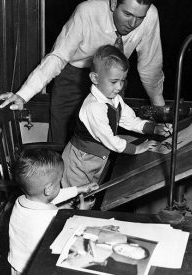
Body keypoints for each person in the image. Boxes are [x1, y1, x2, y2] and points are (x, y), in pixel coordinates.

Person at [0, 0, 166, 145]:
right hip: (73, 77)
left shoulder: (150, 15)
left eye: (139, 18)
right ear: (114, 4)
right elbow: (57, 57)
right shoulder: (86, 12)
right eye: (127, 14)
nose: (133, 24)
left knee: (107, 140)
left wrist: (160, 110)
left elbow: (150, 66)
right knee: (60, 140)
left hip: (111, 79)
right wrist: (23, 96)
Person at [61, 45, 172, 188]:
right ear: (95, 78)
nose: (119, 87)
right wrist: (137, 149)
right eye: (114, 82)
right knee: (76, 203)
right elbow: (110, 140)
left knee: (90, 197)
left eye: (122, 81)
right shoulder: (93, 107)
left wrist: (154, 128)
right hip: (79, 163)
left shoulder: (114, 99)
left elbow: (130, 121)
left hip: (98, 158)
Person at [8, 148, 99, 275]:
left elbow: (52, 196)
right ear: (49, 189)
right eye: (59, 181)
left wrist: (80, 189)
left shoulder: (21, 201)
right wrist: (82, 212)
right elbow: (70, 238)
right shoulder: (51, 219)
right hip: (36, 269)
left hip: (17, 265)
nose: (61, 183)